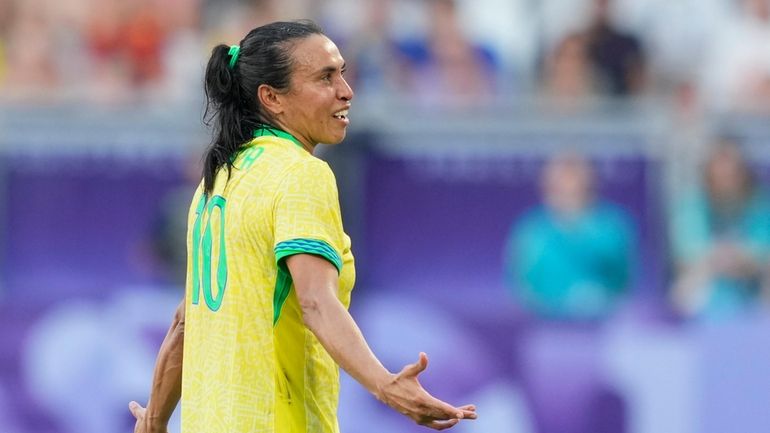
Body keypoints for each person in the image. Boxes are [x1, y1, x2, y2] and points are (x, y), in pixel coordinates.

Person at [127, 20, 476, 433]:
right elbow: (314, 302)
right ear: (272, 97)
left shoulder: (217, 180)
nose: (346, 90)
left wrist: (155, 420)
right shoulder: (300, 174)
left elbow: (186, 323)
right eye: (325, 77)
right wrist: (386, 387)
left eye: (342, 72)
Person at [504, 152, 636, 321]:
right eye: (562, 179)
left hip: (603, 326)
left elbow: (624, 280)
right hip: (547, 325)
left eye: (574, 176)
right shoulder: (533, 230)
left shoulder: (612, 227)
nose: (569, 185)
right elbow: (521, 286)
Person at [670, 139, 770, 319]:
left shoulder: (760, 204)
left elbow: (764, 250)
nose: (727, 175)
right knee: (686, 285)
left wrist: (736, 257)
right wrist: (722, 258)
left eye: (733, 170)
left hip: (752, 279)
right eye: (720, 169)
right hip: (708, 280)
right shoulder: (693, 203)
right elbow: (687, 253)